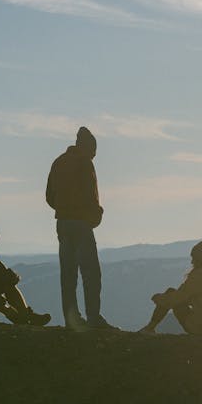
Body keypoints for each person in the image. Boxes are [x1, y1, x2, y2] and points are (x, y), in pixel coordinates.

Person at [45, 126, 115, 331]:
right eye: (94, 151)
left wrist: (62, 207)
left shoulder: (58, 162)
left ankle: (71, 320)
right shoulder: (85, 164)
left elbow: (49, 195)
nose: (94, 156)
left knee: (68, 274)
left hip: (63, 223)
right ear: (88, 147)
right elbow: (91, 195)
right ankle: (93, 317)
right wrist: (96, 214)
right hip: (81, 224)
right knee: (91, 273)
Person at [138, 239, 202, 336]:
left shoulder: (200, 275)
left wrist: (161, 299)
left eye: (194, 258)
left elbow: (178, 297)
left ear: (200, 258)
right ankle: (149, 328)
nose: (192, 262)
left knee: (170, 292)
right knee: (172, 297)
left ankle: (149, 328)